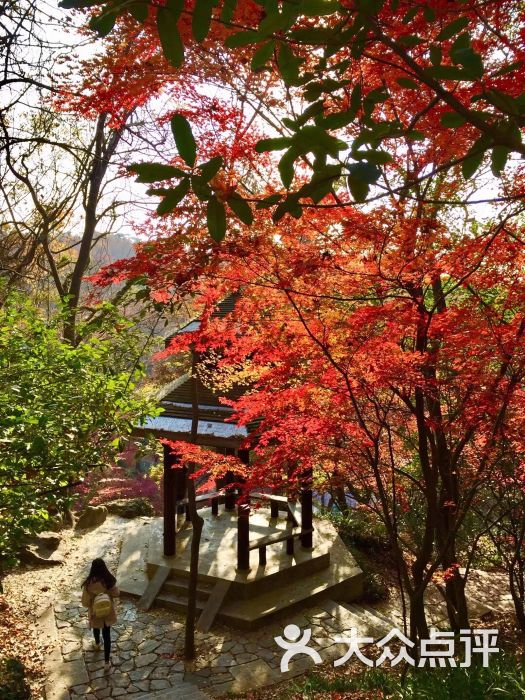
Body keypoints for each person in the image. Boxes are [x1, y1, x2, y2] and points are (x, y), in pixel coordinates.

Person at [81, 558, 119, 668]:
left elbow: (85, 602)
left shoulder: (88, 584)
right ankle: (107, 662)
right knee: (107, 635)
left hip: (95, 612)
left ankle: (97, 644)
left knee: (96, 628)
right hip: (108, 611)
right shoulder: (109, 580)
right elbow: (116, 593)